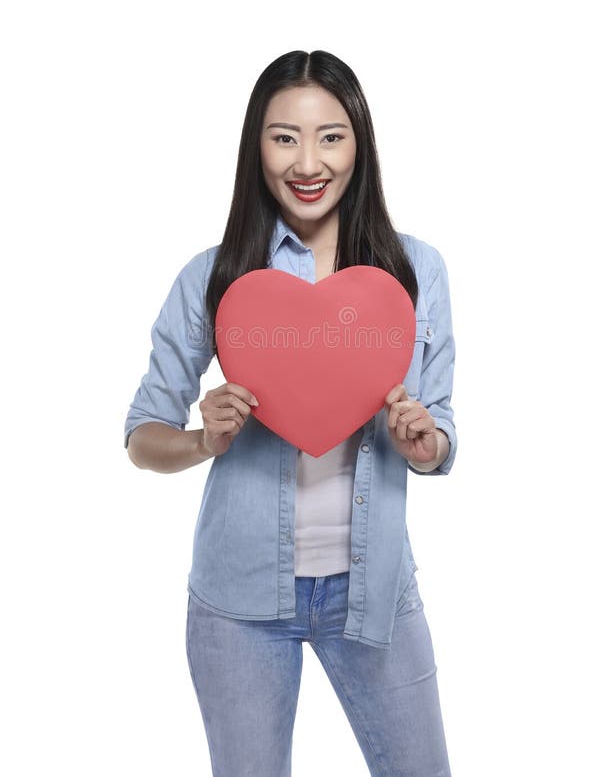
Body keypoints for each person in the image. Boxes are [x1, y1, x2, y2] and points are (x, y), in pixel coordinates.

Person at [124, 49, 457, 776]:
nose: (308, 161)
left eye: (330, 136)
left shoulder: (415, 271)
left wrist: (422, 442)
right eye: (284, 137)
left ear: (358, 145)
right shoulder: (215, 278)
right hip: (238, 601)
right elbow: (142, 437)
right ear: (257, 147)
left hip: (373, 596)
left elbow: (436, 435)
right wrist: (202, 439)